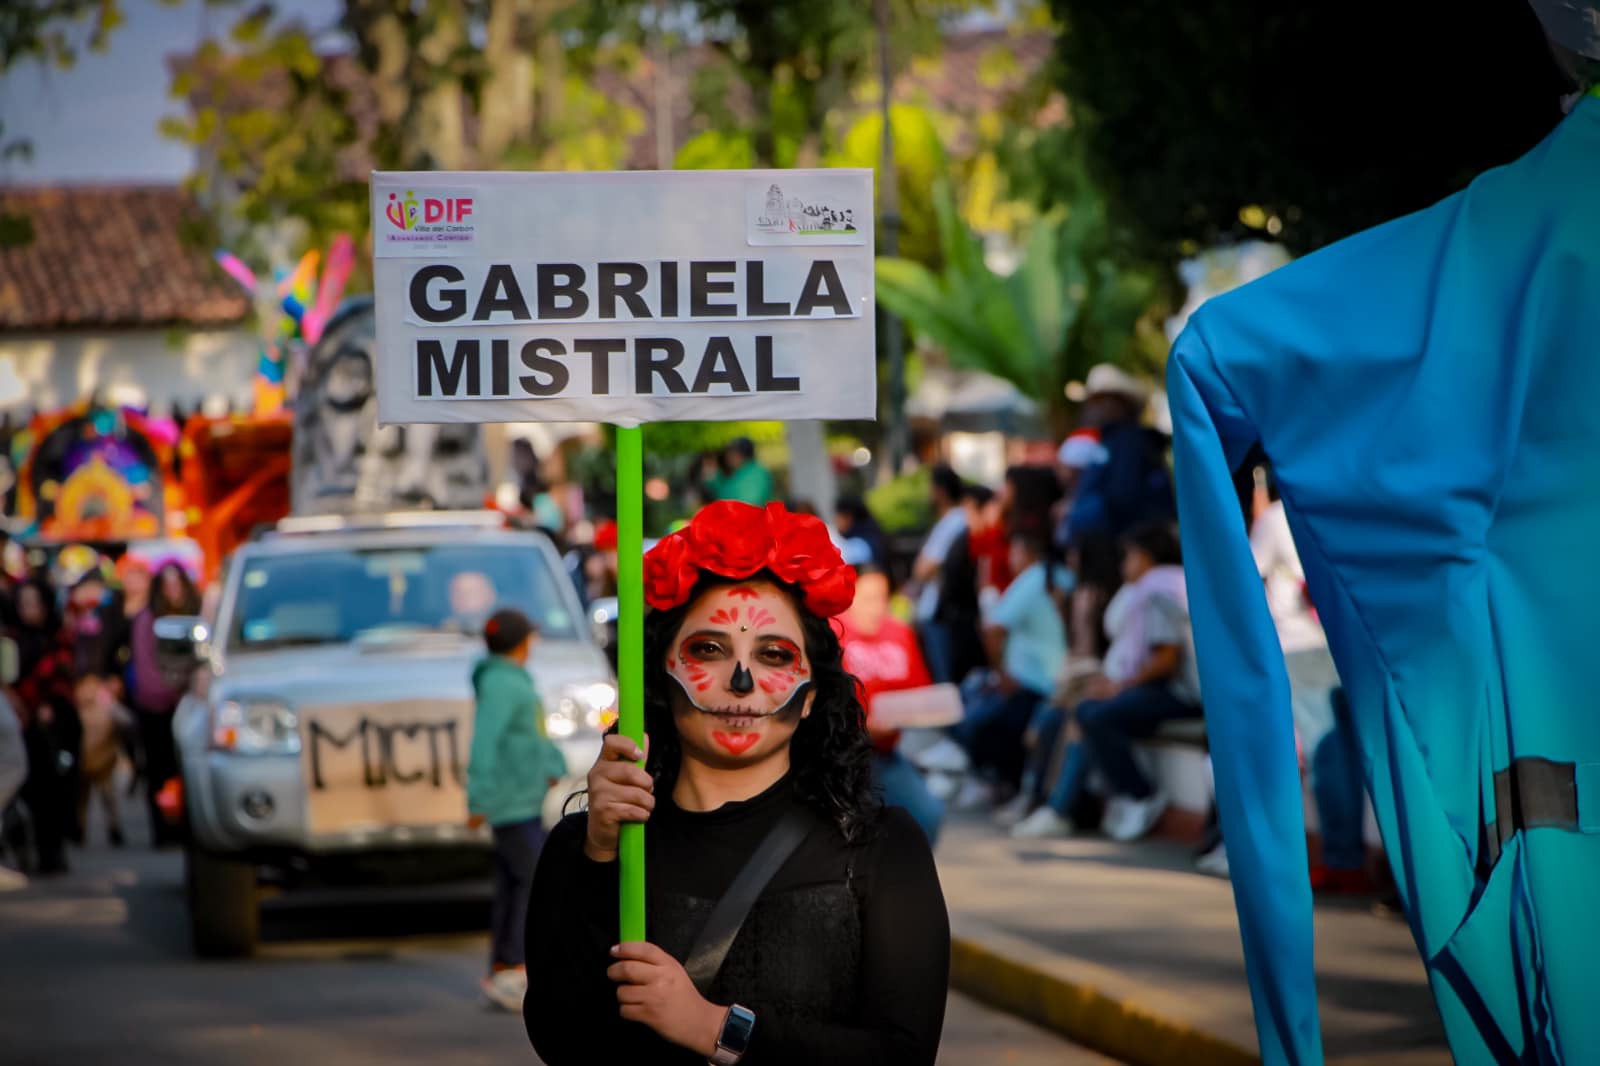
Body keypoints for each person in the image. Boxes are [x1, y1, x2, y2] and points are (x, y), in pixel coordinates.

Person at [524, 501, 949, 1065]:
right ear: (660, 676)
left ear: (812, 695)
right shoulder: (587, 848)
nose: (741, 681)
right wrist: (600, 857)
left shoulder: (880, 849)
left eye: (773, 654)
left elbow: (902, 1056)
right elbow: (563, 1041)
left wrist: (714, 1027)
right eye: (708, 650)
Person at [1013, 522, 1201, 842]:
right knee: (1073, 712)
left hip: (1180, 694)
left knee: (1091, 713)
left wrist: (1121, 686)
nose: (1123, 565)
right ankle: (1052, 803)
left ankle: (1138, 794)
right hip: (1166, 688)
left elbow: (1167, 659)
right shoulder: (1168, 583)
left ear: (1146, 558)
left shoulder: (1158, 590)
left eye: (1129, 557)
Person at [468, 608, 567, 1013]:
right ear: (522, 643)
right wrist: (479, 799)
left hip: (522, 801)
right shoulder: (503, 684)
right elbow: (484, 743)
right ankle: (512, 966)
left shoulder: (511, 681)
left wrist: (552, 765)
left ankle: (506, 966)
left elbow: (531, 736)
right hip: (509, 804)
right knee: (529, 882)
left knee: (515, 882)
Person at [949, 531, 1071, 806]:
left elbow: (993, 629)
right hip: (1055, 680)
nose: (1010, 559)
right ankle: (1008, 786)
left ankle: (1007, 785)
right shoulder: (1061, 576)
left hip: (1034, 684)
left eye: (1014, 552)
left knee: (977, 726)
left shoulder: (1032, 579)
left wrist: (1002, 674)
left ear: (1027, 552)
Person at [835, 565, 945, 845]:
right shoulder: (831, 633)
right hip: (840, 752)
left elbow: (920, 693)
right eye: (869, 598)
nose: (877, 607)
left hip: (885, 751)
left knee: (928, 815)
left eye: (883, 598)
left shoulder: (899, 633)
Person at [127, 562, 201, 848]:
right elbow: (146, 671)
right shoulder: (147, 620)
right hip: (157, 708)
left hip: (188, 705)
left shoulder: (196, 617)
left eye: (178, 584)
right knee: (159, 770)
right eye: (167, 585)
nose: (173, 591)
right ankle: (163, 829)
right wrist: (171, 690)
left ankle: (187, 825)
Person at [12, 579, 77, 874]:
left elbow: (62, 678)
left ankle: (53, 851)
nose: (29, 610)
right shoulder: (11, 640)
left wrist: (50, 704)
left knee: (53, 791)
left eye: (34, 603)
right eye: (23, 604)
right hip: (18, 722)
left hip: (52, 725)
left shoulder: (58, 639)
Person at [911, 465, 969, 684]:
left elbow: (923, 569)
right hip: (942, 610)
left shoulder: (953, 521)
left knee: (945, 681)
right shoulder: (953, 521)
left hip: (940, 610)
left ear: (940, 491)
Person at [702, 437, 775, 506]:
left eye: (732, 452)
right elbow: (725, 491)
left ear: (741, 455)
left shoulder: (756, 474)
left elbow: (748, 504)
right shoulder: (740, 472)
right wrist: (713, 480)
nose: (727, 457)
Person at [832, 495, 889, 570]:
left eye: (838, 516)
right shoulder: (871, 533)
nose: (835, 521)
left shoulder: (860, 544)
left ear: (849, 517)